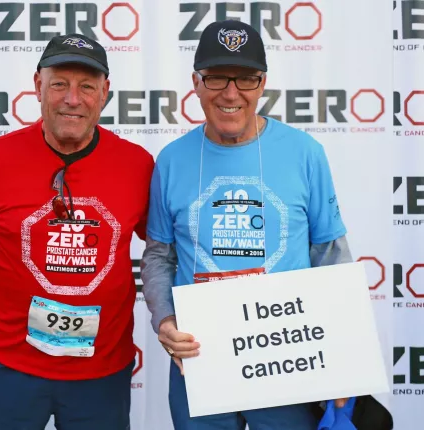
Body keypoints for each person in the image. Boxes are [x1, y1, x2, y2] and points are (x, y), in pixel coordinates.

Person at [0, 33, 154, 429]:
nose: (72, 98)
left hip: (101, 374)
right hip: (7, 369)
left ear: (106, 93)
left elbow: (166, 254)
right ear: (37, 85)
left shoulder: (138, 166)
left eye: (87, 86)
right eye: (59, 83)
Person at [141, 20, 353, 430]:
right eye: (217, 77)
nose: (231, 93)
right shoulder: (171, 160)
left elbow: (332, 257)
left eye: (246, 79)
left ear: (263, 84)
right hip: (200, 364)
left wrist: (341, 357)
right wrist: (165, 321)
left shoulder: (305, 153)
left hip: (287, 363)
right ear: (196, 83)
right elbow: (158, 256)